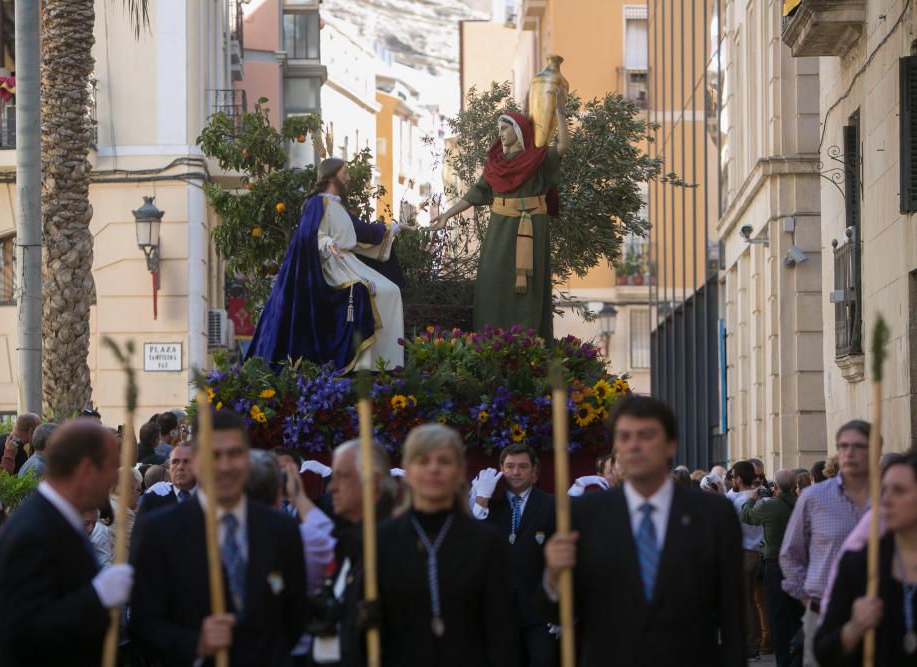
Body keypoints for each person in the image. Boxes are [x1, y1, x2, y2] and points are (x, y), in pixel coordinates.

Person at [542, 395, 744, 666]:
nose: (634, 445)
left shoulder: (713, 515)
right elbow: (559, 615)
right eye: (624, 437)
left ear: (670, 445)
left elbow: (732, 615)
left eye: (646, 435)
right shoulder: (586, 515)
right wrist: (554, 576)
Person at [129, 409, 308, 666]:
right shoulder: (160, 532)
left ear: (247, 460)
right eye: (214, 455)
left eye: (234, 454)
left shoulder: (281, 530)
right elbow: (144, 624)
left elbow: (294, 615)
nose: (225, 466)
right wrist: (197, 643)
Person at [249, 158, 413, 372]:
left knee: (390, 290)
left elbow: (362, 232)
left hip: (348, 262)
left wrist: (394, 227)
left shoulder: (337, 205)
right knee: (365, 291)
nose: (348, 177)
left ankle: (384, 363)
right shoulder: (317, 203)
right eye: (345, 172)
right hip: (329, 267)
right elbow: (308, 234)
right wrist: (326, 242)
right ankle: (360, 365)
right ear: (330, 176)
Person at [0, 420, 132, 667]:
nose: (114, 476)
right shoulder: (32, 532)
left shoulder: (60, 521)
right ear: (87, 469)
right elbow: (23, 631)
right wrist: (98, 594)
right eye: (111, 466)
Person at [375, 424, 518, 667]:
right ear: (407, 471)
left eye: (444, 461)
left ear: (460, 471)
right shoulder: (381, 540)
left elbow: (501, 630)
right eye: (423, 460)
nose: (434, 469)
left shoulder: (486, 542)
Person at [429, 99, 569, 336]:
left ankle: (529, 342)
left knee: (531, 287)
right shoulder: (496, 166)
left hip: (532, 228)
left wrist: (560, 114)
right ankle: (492, 340)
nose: (501, 134)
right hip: (500, 228)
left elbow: (564, 146)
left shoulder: (538, 160)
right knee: (492, 281)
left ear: (518, 130)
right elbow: (474, 194)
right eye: (499, 129)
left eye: (505, 128)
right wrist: (446, 215)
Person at [780, 419, 871, 667]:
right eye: (843, 446)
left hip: (877, 615)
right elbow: (790, 553)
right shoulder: (814, 497)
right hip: (823, 612)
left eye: (858, 446)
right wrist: (807, 599)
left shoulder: (887, 496)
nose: (849, 453)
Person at [815, 452, 917, 666]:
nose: (885, 500)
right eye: (883, 490)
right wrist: (854, 628)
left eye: (899, 491)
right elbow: (824, 650)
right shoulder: (860, 564)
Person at [470, 443, 556, 667]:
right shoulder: (490, 504)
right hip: (499, 615)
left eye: (522, 467)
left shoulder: (552, 505)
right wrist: (480, 501)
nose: (515, 472)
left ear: (535, 472)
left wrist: (563, 609)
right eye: (509, 466)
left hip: (540, 613)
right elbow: (471, 546)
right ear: (501, 469)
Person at [313, 438, 397, 667]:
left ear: (373, 482)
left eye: (343, 476)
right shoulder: (347, 538)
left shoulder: (395, 544)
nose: (331, 487)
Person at [249, 450, 336, 667]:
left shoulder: (232, 539)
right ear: (279, 492)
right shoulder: (304, 537)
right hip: (294, 646)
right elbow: (326, 534)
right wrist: (299, 497)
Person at [742, 468, 802, 667]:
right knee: (797, 615)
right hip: (799, 566)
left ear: (774, 486)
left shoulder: (772, 507)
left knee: (777, 616)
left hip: (775, 565)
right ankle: (798, 659)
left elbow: (748, 516)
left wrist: (751, 498)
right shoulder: (802, 504)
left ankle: (783, 661)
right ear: (795, 486)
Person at [729, 460, 767, 659]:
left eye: (734, 477)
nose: (732, 480)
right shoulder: (760, 499)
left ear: (740, 479)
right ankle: (755, 643)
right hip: (757, 554)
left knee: (744, 602)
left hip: (742, 554)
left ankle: (750, 645)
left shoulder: (736, 502)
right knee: (753, 601)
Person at [138, 441, 197, 515]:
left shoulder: (209, 496)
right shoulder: (154, 495)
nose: (180, 467)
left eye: (186, 461)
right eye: (175, 462)